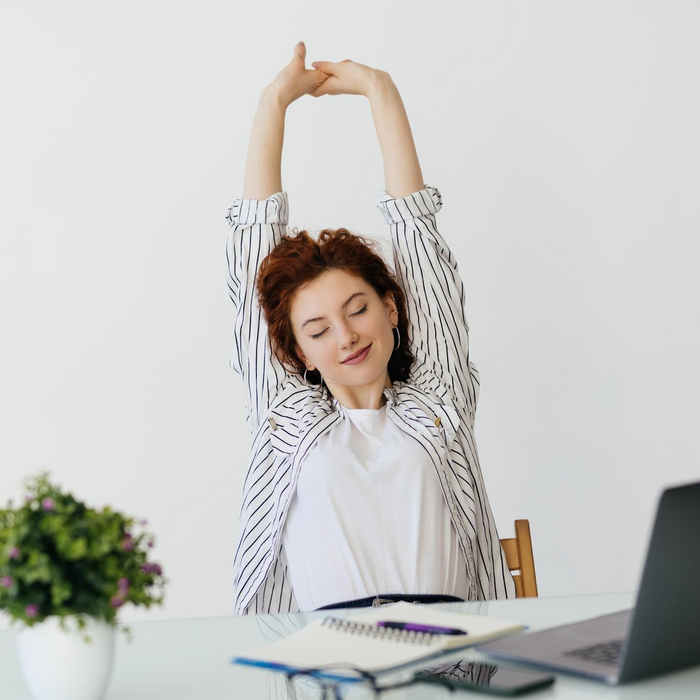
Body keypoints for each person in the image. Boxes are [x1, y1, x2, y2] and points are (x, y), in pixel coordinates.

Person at [225, 41, 516, 615]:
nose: (346, 336)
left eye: (357, 310)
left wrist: (380, 92)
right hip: (330, 671)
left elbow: (420, 246)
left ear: (392, 308)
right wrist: (272, 103)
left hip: (449, 666)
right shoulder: (286, 416)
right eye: (318, 329)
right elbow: (251, 264)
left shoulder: (438, 403)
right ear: (299, 353)